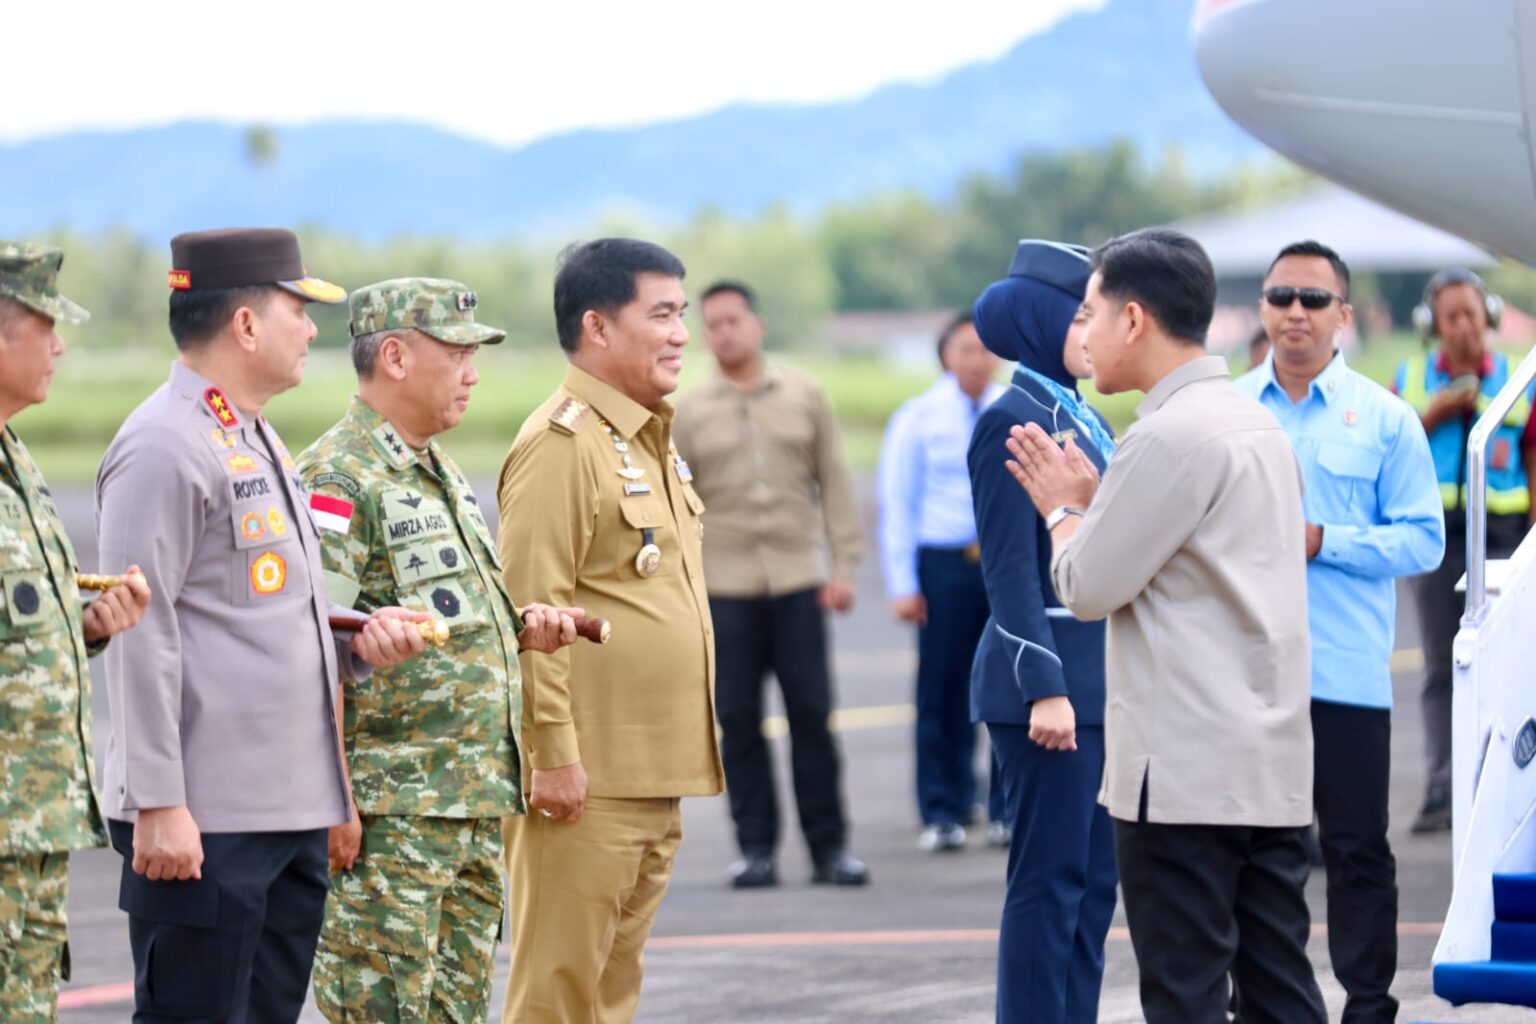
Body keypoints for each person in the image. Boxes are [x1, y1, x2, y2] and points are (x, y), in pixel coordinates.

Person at [95, 228, 430, 1022]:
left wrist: (356, 641)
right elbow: (141, 631)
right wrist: (158, 802)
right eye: (298, 311)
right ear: (246, 325)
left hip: (286, 809)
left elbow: (258, 609)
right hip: (206, 818)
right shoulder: (165, 444)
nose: (312, 330)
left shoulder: (248, 431)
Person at [1004, 228, 1326, 1024]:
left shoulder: (1164, 436)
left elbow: (1085, 586)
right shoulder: (1253, 424)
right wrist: (1103, 503)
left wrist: (1064, 512)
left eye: (1091, 313)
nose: (1084, 334)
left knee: (1186, 995)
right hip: (1269, 761)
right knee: (1281, 990)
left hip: (1181, 776)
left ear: (1134, 319)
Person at [297, 278, 583, 1022]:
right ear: (394, 357)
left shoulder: (434, 468)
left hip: (466, 805)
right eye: (457, 354)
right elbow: (312, 644)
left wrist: (515, 626)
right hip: (391, 817)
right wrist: (332, 801)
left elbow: (436, 613)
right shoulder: (339, 478)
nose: (472, 373)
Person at [497, 238, 723, 1022]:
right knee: (556, 996)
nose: (681, 334)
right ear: (597, 326)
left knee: (608, 996)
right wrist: (553, 756)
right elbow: (531, 614)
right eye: (660, 315)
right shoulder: (561, 446)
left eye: (682, 314)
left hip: (649, 773)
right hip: (585, 782)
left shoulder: (644, 437)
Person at [1235, 240, 1444, 1023]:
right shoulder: (1228, 412)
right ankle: (1267, 1002)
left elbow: (1423, 540)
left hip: (1344, 672)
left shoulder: (1386, 419)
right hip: (1246, 676)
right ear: (1262, 308)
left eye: (1314, 299)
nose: (1296, 312)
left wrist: (1325, 540)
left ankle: (1368, 1005)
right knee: (1257, 853)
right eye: (1281, 297)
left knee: (1357, 850)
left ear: (1344, 315)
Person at [672, 280, 869, 888]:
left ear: (757, 325)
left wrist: (843, 566)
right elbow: (675, 506)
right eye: (713, 325)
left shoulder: (805, 394)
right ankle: (755, 849)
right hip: (723, 587)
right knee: (737, 720)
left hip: (798, 582)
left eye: (734, 320)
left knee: (812, 714)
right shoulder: (686, 410)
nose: (724, 333)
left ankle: (829, 849)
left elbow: (834, 483)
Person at [968, 240, 1118, 1023]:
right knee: (1047, 886)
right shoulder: (1011, 420)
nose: (1098, 333)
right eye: (1083, 316)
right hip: (1049, 690)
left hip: (1100, 684)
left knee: (1093, 889)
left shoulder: (1081, 415)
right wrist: (1045, 688)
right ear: (1041, 319)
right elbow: (1008, 574)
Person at [0, 243, 150, 1022]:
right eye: (46, 326)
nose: (59, 346)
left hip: (29, 826)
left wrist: (86, 628)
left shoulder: (14, 460)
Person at [1394, 267, 1536, 833]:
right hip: (1436, 540)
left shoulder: (1516, 378)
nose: (1461, 327)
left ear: (1488, 318)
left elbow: (1533, 458)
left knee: (1510, 663)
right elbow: (1394, 446)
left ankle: (1502, 787)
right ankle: (1442, 786)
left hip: (1503, 540)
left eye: (1470, 315)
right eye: (1449, 317)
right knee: (1440, 664)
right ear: (1432, 324)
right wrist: (1438, 412)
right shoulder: (1411, 378)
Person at [878, 312, 1009, 851]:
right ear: (945, 356)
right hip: (944, 564)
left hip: (1003, 562)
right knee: (943, 686)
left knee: (1008, 686)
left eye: (984, 349)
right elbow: (898, 503)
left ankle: (1005, 808)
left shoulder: (1011, 409)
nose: (976, 359)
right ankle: (943, 808)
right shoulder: (918, 418)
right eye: (964, 349)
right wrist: (903, 583)